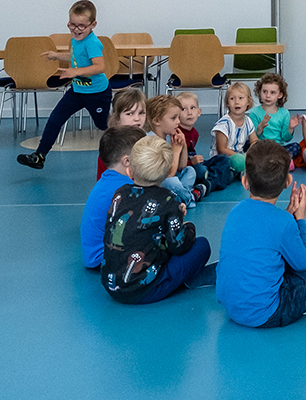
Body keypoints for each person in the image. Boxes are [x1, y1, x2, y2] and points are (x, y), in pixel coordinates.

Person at [217, 141, 306, 328]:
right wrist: (300, 218)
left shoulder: (235, 211)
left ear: (245, 181)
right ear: (288, 182)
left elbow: (265, 231)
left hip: (231, 308)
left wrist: (288, 214)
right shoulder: (283, 222)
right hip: (267, 313)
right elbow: (305, 265)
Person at [100, 136, 212, 304]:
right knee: (202, 246)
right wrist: (187, 227)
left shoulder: (120, 192)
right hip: (144, 290)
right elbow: (179, 246)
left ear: (130, 170)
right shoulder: (168, 200)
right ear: (168, 173)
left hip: (110, 285)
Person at [18, 0, 109, 170]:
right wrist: (57, 55)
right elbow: (77, 57)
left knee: (104, 126)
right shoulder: (75, 40)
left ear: (93, 24)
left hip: (97, 93)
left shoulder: (92, 42)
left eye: (81, 26)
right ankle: (39, 156)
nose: (76, 29)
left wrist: (76, 72)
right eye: (72, 25)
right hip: (77, 91)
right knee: (55, 119)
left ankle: (130, 148)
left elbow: (100, 66)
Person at [81, 126, 147, 268]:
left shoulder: (107, 179)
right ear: (127, 161)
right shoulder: (127, 188)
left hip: (95, 255)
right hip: (105, 258)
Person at [147, 94, 204, 204]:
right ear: (157, 121)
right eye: (174, 118)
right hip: (158, 184)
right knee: (171, 182)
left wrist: (182, 146)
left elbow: (181, 167)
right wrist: (176, 150)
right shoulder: (151, 140)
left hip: (172, 177)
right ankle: (189, 198)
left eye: (178, 117)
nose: (178, 122)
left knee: (190, 171)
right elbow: (169, 175)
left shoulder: (168, 136)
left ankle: (178, 199)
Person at [94, 88, 148, 175]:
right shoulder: (109, 146)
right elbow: (103, 179)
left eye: (141, 113)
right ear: (117, 117)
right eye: (130, 114)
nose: (137, 118)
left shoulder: (148, 141)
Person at [251, 72, 299, 165]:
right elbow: (254, 137)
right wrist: (260, 126)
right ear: (259, 92)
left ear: (280, 95)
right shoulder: (254, 113)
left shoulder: (284, 113)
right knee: (248, 145)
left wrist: (290, 128)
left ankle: (273, 161)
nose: (268, 96)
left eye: (272, 92)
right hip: (261, 148)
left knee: (296, 147)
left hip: (278, 148)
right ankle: (281, 162)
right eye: (264, 91)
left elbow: (286, 138)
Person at [213, 81, 258, 173]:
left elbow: (254, 140)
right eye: (232, 98)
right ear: (227, 103)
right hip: (224, 158)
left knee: (260, 150)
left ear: (248, 102)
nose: (237, 102)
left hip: (240, 155)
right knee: (236, 163)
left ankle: (243, 170)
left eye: (241, 98)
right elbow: (221, 149)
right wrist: (241, 158)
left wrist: (248, 154)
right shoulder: (224, 124)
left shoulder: (248, 121)